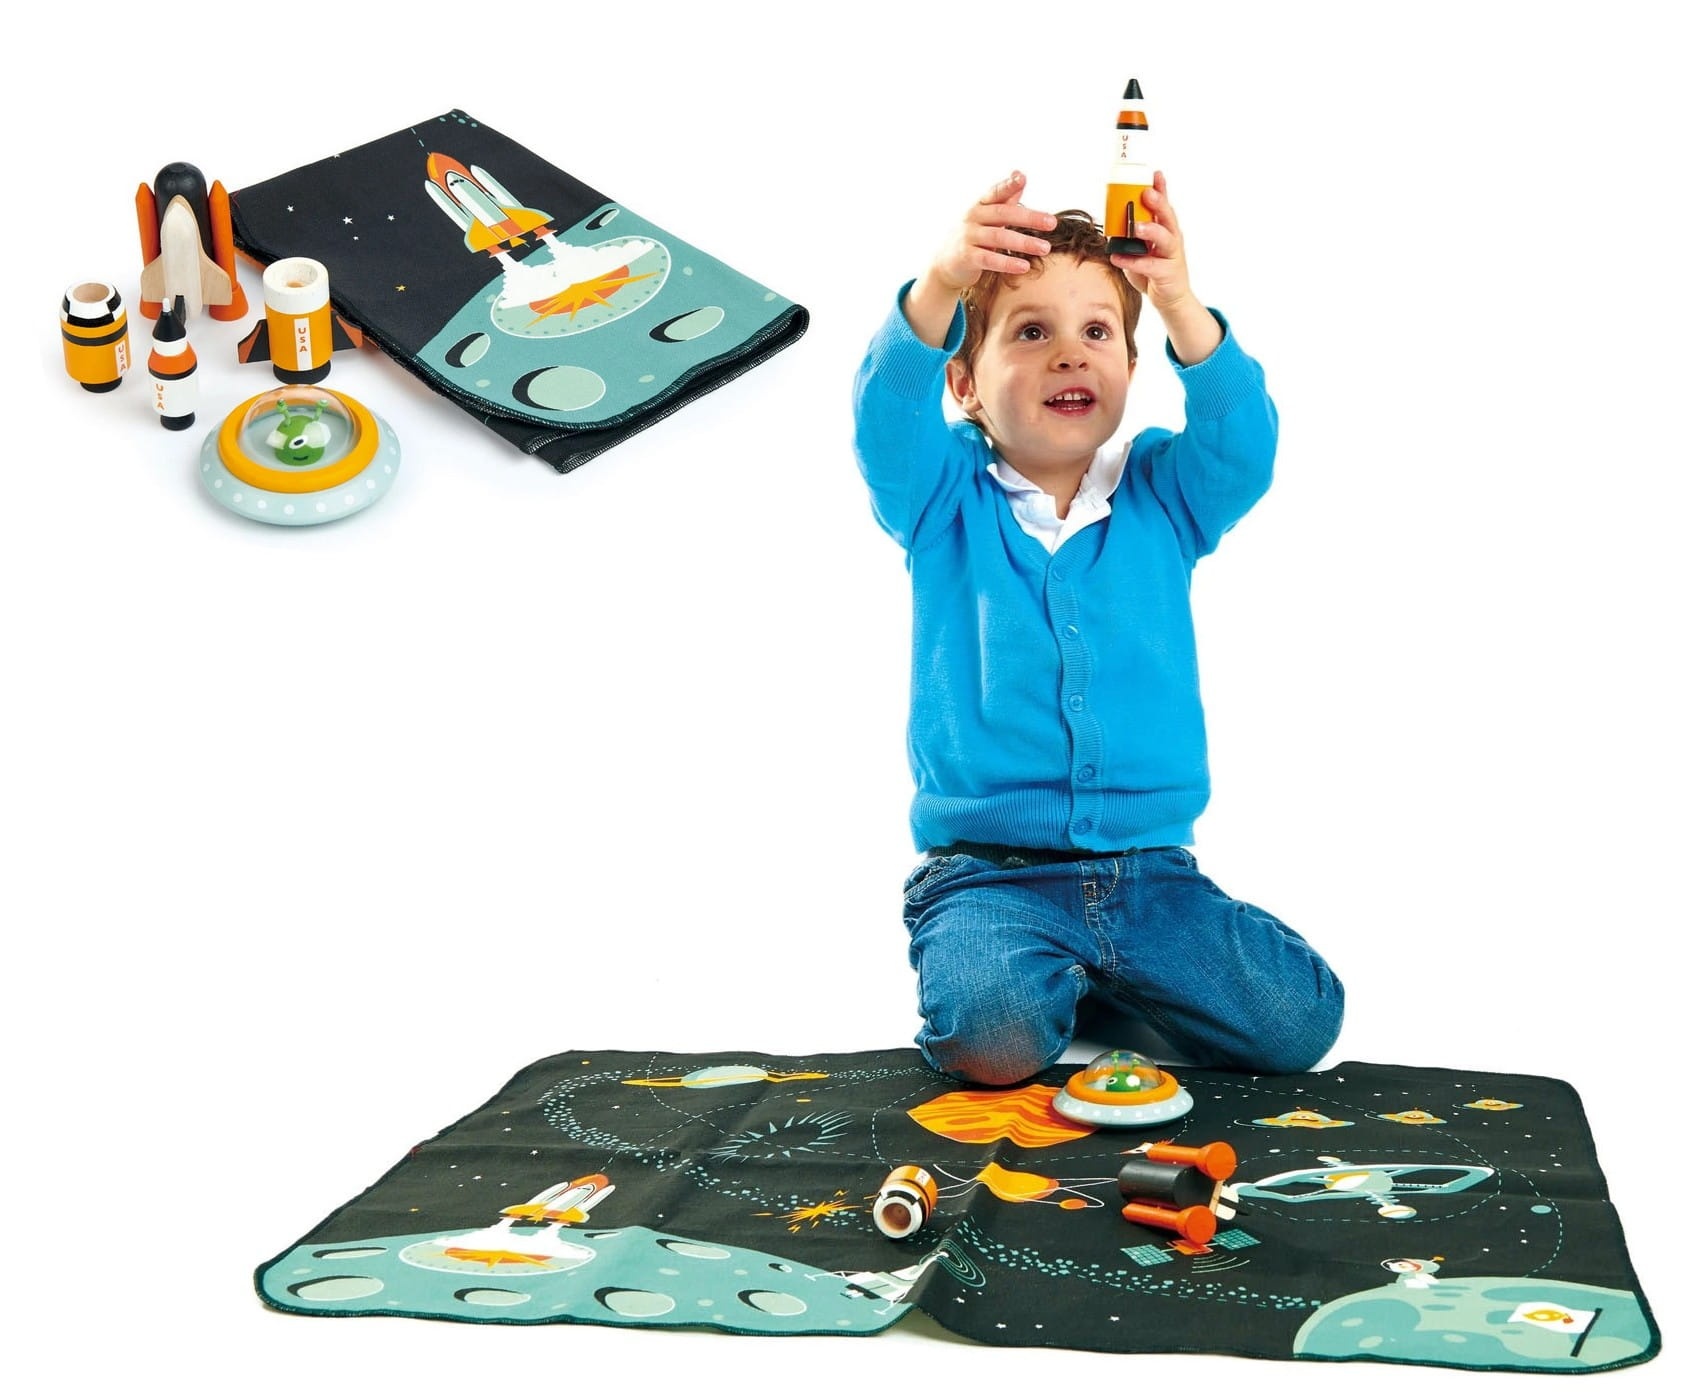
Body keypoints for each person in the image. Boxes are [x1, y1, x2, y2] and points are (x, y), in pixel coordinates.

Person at [852, 170, 1343, 1085]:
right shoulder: (940, 498)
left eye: (1096, 333)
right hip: (990, 876)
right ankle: (1037, 973)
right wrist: (945, 281)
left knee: (1300, 1024)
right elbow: (886, 412)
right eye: (1031, 333)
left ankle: (1112, 982)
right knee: (992, 1044)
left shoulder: (1164, 493)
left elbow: (1245, 446)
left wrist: (1179, 301)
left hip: (1150, 875)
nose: (1069, 356)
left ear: (1129, 367)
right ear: (963, 383)